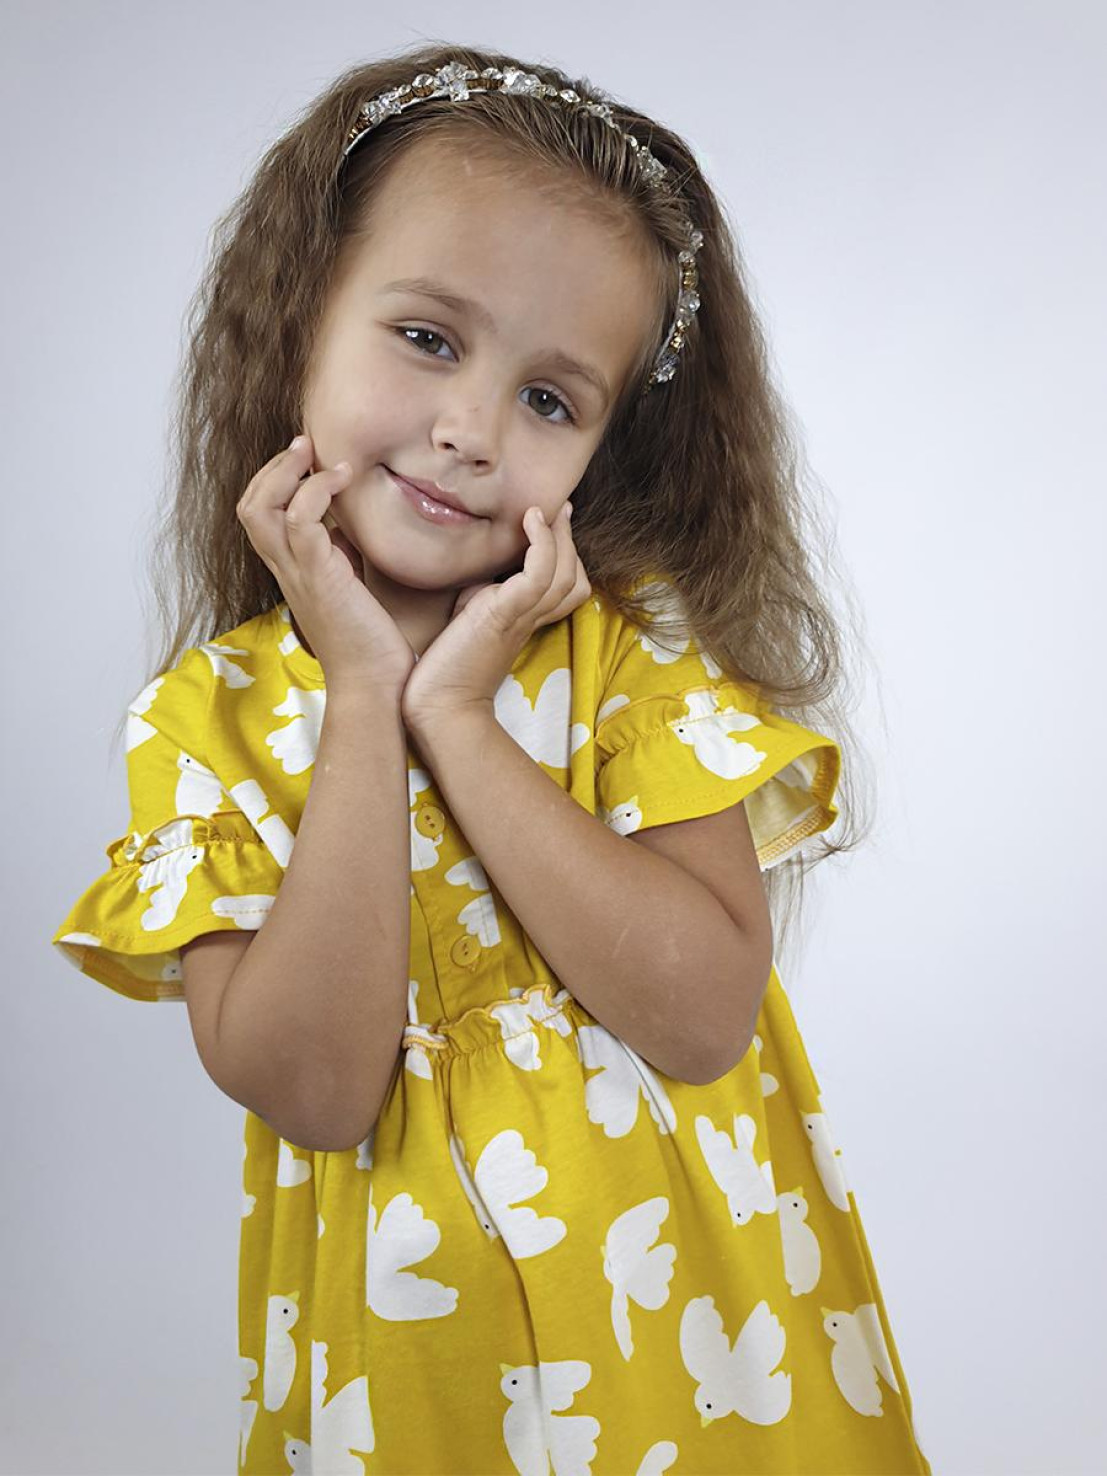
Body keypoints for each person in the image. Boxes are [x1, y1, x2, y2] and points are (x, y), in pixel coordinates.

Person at [51, 41, 932, 1476]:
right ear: (301, 319)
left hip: (699, 1362)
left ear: (604, 446)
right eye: (428, 338)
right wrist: (363, 696)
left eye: (551, 400)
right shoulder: (209, 720)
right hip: (412, 1378)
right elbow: (315, 1090)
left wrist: (458, 720)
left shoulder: (629, 661)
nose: (470, 431)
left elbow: (703, 1017)